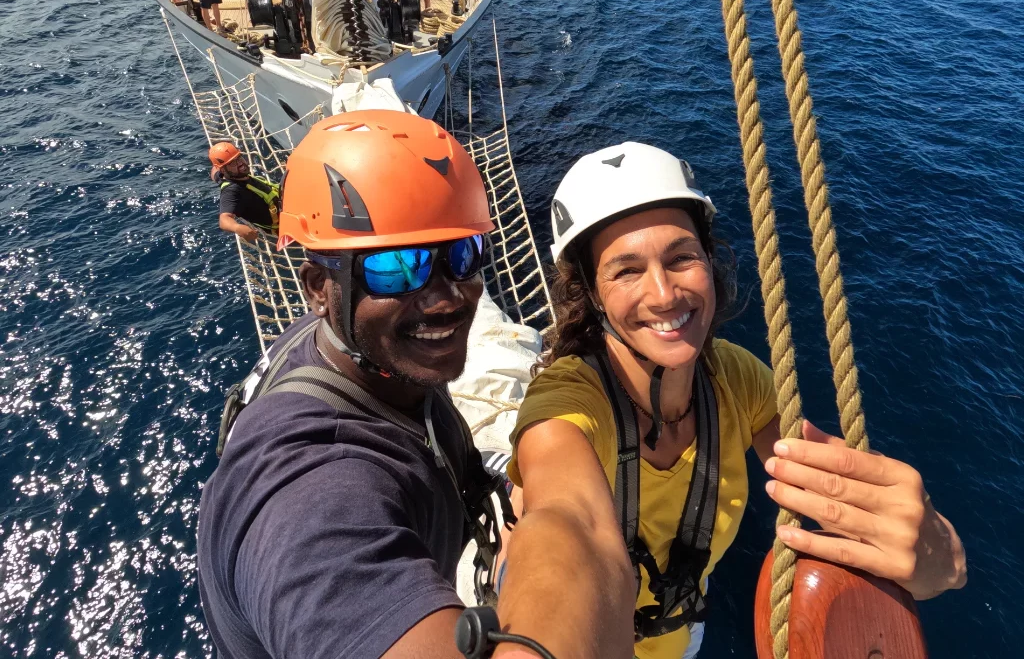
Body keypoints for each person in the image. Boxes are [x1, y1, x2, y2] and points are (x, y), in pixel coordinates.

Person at [497, 142, 968, 658]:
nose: (664, 294)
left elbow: (833, 483)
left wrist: (930, 550)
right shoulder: (567, 406)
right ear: (591, 294)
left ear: (709, 261)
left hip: (678, 640)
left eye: (681, 257)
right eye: (626, 270)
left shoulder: (737, 381)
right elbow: (567, 522)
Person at [196, 112, 514, 659]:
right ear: (321, 288)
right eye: (396, 268)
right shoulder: (310, 498)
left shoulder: (378, 357)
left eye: (463, 255)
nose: (446, 297)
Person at [209, 142, 280, 243]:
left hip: (283, 200)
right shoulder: (232, 191)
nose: (240, 163)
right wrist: (237, 228)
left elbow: (214, 172)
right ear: (223, 170)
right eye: (232, 163)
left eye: (239, 157)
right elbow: (224, 220)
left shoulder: (226, 175)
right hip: (284, 223)